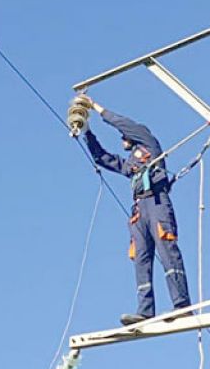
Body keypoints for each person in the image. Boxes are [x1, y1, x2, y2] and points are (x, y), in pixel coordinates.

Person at [75, 94, 192, 325]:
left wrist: (96, 108)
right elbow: (103, 158)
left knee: (167, 249)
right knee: (141, 258)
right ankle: (145, 310)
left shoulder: (149, 144)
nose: (122, 141)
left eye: (123, 139)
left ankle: (181, 305)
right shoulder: (131, 165)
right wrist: (86, 131)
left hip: (157, 203)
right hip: (140, 209)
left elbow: (123, 123)